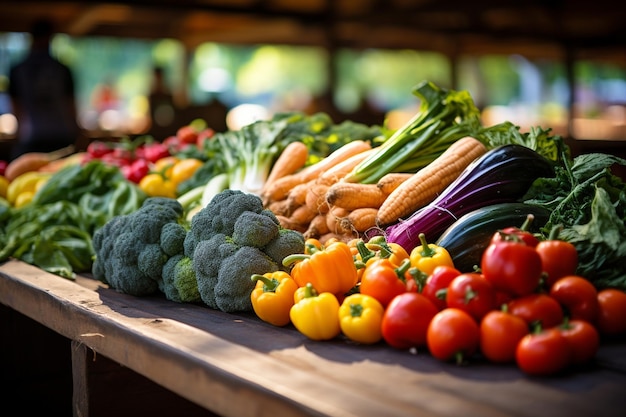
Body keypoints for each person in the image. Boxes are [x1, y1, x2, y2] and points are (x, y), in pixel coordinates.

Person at [8, 19, 80, 160]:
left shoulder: (18, 69)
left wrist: (18, 134)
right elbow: (71, 105)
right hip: (60, 135)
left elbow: (16, 107)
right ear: (50, 37)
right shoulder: (61, 69)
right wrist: (78, 132)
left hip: (32, 136)